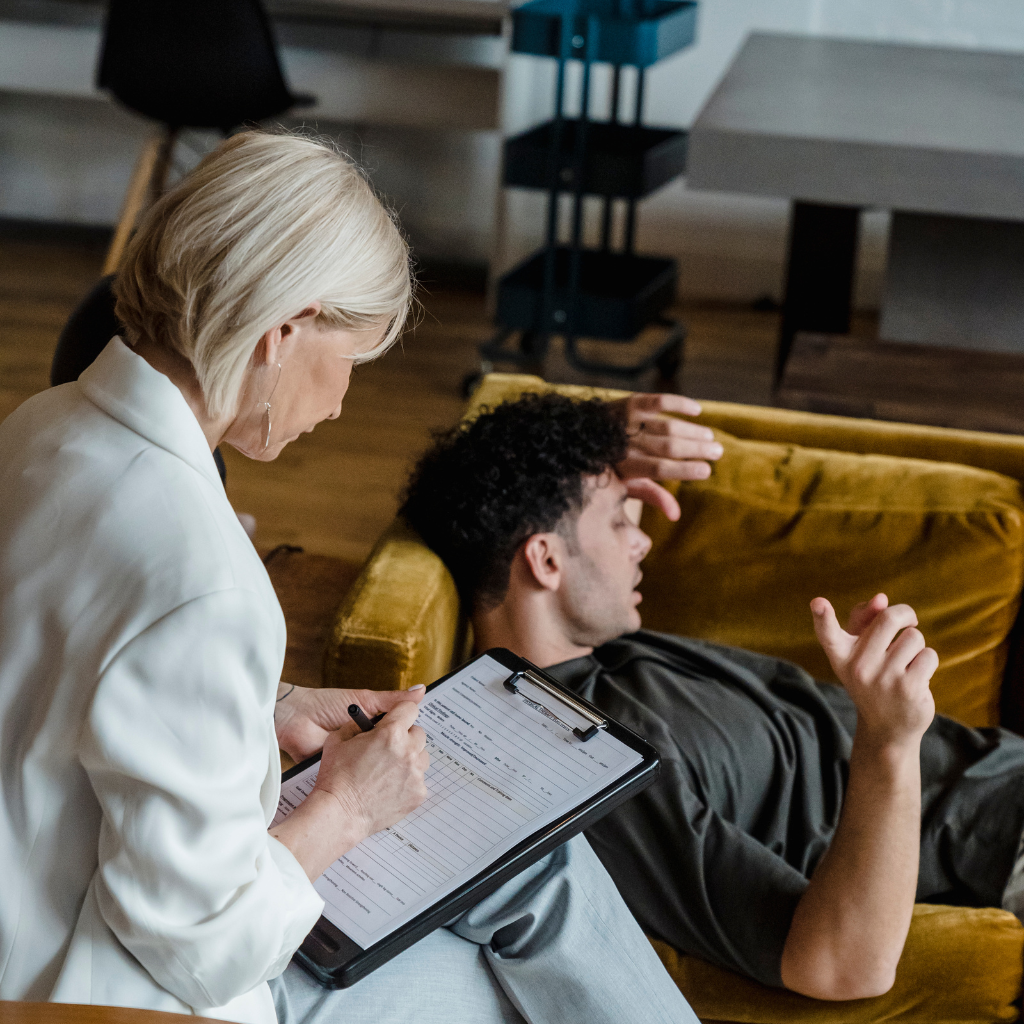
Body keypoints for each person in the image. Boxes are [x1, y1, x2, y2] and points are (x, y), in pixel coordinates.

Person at [0, 132, 715, 1024]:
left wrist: (273, 709)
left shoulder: (39, 431)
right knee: (513, 988)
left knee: (531, 876)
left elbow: (62, 699)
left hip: (30, 933)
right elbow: (196, 948)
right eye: (350, 364)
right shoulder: (207, 580)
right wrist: (345, 806)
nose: (340, 403)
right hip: (117, 998)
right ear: (283, 331)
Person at [400, 391, 1024, 1002]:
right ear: (545, 560)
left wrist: (594, 448)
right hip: (1001, 846)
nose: (641, 539)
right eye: (619, 520)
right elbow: (839, 966)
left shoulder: (618, 653)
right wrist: (890, 741)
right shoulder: (585, 758)